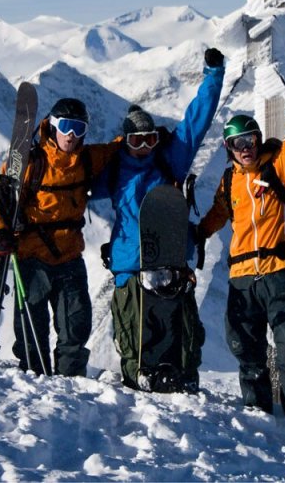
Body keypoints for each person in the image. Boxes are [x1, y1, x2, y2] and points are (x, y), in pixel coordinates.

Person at [195, 52, 285, 415]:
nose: (247, 148)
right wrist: (199, 233)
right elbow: (220, 214)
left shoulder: (281, 165)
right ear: (229, 149)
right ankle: (258, 413)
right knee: (246, 350)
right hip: (241, 279)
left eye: (251, 139)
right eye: (239, 143)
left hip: (279, 272)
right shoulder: (230, 182)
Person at [93, 47, 226, 391]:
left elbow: (196, 122)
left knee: (178, 335)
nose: (144, 147)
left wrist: (214, 75)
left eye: (150, 138)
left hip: (170, 264)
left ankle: (183, 381)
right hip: (130, 268)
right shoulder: (113, 169)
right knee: (136, 339)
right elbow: (74, 188)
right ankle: (139, 387)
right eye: (137, 140)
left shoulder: (169, 162)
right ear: (124, 140)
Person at [0, 97, 119, 377]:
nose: (71, 135)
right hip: (31, 258)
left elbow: (119, 149)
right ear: (52, 127)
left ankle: (71, 384)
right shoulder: (32, 161)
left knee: (76, 326)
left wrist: (146, 136)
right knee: (32, 329)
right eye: (66, 126)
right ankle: (36, 383)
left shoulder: (89, 159)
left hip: (70, 257)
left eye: (79, 128)